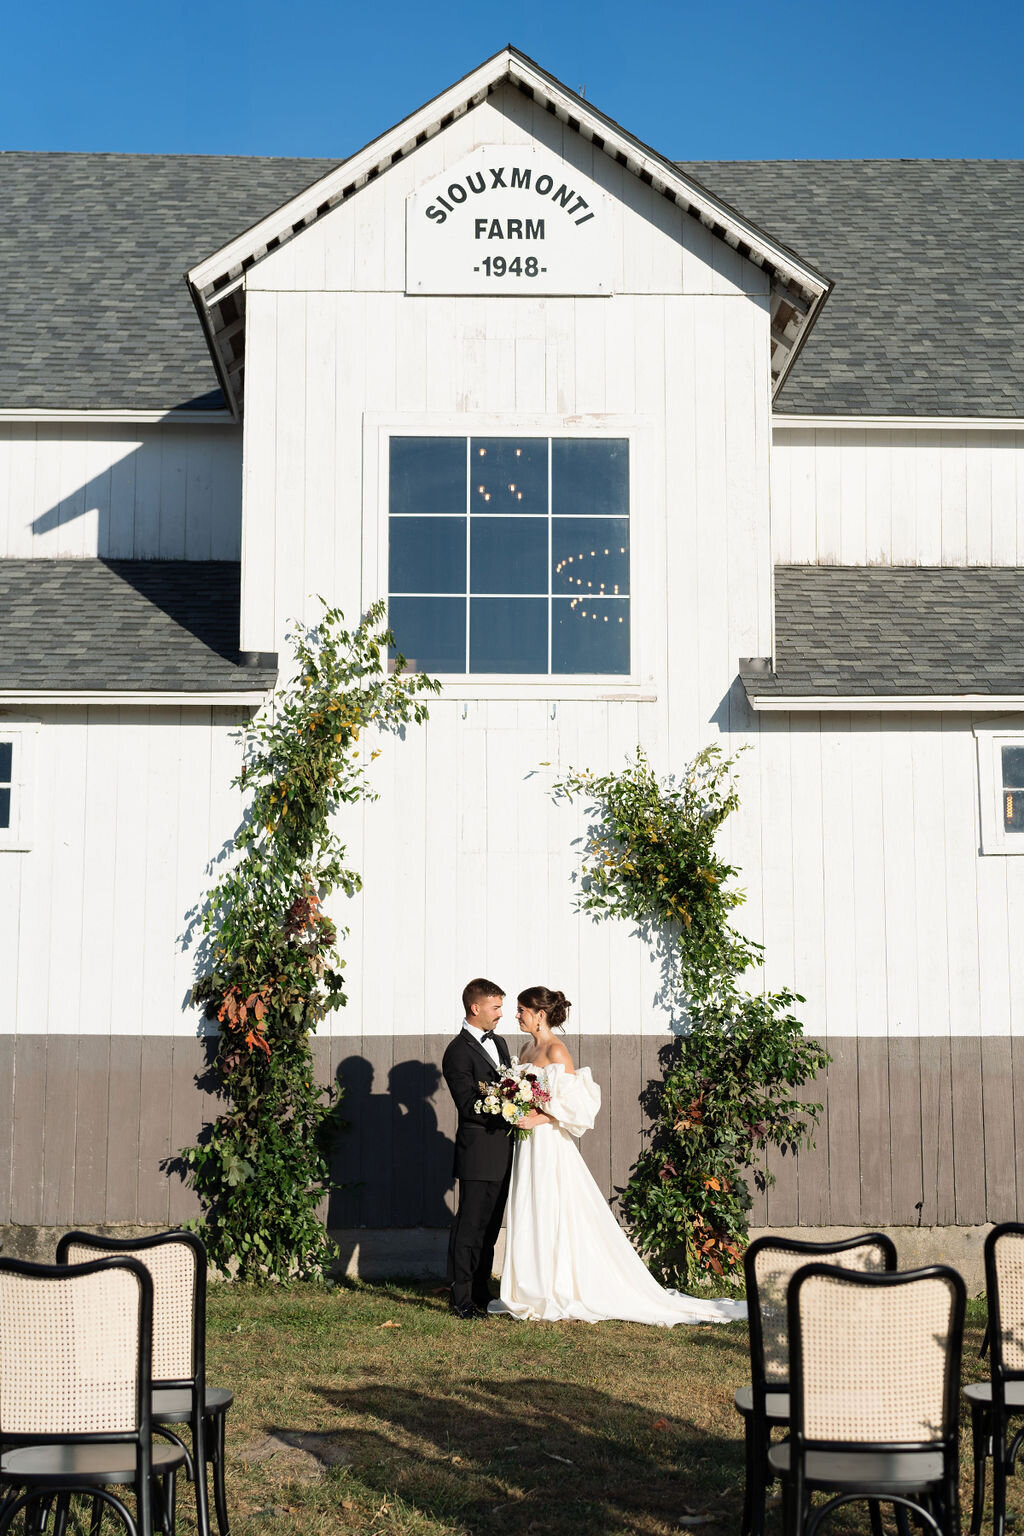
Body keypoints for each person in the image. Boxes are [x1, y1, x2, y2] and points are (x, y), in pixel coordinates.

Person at [491, 985, 747, 1326]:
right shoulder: (525, 1048)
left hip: (548, 1144)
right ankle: (531, 1284)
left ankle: (558, 1285)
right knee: (529, 1205)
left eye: (522, 1009)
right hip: (526, 1142)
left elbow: (575, 1107)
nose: (517, 1015)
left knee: (549, 1205)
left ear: (540, 1014)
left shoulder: (557, 1052)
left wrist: (537, 1116)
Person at [441, 977, 513, 1319]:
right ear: (476, 1008)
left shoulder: (499, 1043)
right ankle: (462, 1298)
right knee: (470, 1226)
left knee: (491, 1225)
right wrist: (511, 1109)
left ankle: (483, 1291)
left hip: (504, 1150)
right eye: (496, 1007)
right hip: (478, 1153)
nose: (501, 1014)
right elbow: (468, 1104)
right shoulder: (457, 1053)